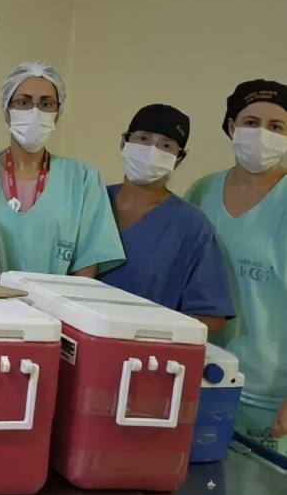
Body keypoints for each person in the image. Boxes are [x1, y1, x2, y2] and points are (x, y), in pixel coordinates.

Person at [184, 79, 287, 453]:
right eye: (251, 123)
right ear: (231, 126)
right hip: (203, 376)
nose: (262, 134)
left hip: (270, 397)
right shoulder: (203, 191)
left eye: (276, 126)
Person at [0, 61, 124, 275]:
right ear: (7, 110)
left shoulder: (83, 180)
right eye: (23, 102)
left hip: (59, 297)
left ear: (57, 113)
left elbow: (87, 263)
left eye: (46, 104)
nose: (35, 112)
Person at [98, 104, 233, 331]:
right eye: (143, 139)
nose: (152, 151)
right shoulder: (92, 202)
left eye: (166, 145)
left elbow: (210, 315)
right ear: (124, 142)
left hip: (144, 348)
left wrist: (154, 333)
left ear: (179, 158)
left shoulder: (191, 226)